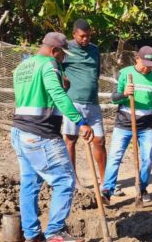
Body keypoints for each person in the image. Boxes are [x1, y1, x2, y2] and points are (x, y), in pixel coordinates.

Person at [11, 32, 94, 242]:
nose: (63, 59)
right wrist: (80, 121)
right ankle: (55, 232)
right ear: (53, 50)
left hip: (20, 132)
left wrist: (59, 87)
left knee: (29, 183)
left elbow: (35, 93)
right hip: (40, 134)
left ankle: (31, 234)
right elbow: (57, 94)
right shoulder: (50, 64)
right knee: (65, 180)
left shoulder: (24, 66)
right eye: (61, 55)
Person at [101, 46, 152, 203]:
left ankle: (142, 188)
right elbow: (113, 97)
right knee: (115, 156)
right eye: (145, 64)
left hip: (145, 125)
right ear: (137, 59)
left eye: (151, 66)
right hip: (124, 122)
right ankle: (107, 190)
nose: (147, 68)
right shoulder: (125, 73)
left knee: (149, 158)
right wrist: (124, 94)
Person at [62, 19, 107, 185]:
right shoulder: (66, 49)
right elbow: (56, 68)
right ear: (74, 34)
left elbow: (96, 73)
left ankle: (106, 183)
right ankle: (73, 181)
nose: (85, 39)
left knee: (99, 140)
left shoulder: (95, 50)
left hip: (92, 103)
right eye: (82, 36)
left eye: (88, 36)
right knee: (70, 140)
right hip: (72, 102)